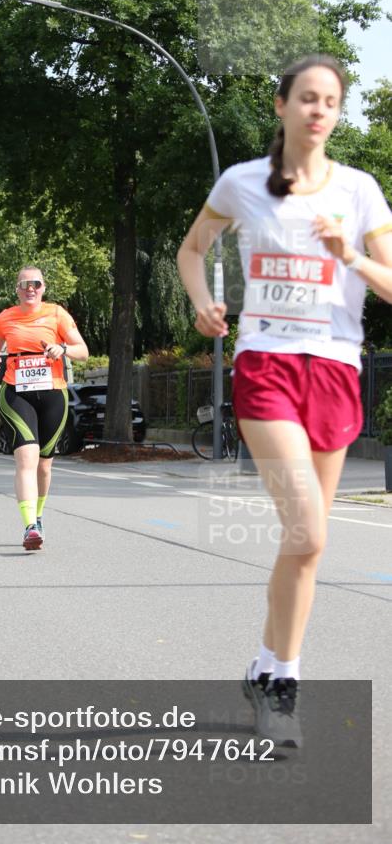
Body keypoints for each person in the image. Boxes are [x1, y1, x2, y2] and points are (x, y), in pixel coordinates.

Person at [177, 54, 392, 746]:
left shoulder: (358, 191)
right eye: (306, 97)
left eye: (329, 100)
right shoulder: (241, 183)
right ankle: (285, 687)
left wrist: (348, 254)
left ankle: (262, 668)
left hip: (332, 367)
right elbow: (190, 248)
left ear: (337, 111)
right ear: (280, 105)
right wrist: (204, 301)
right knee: (307, 529)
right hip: (265, 364)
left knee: (302, 545)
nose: (318, 109)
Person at [0, 266, 89, 550]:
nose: (31, 289)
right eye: (25, 284)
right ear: (17, 289)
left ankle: (38, 516)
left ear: (43, 287)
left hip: (53, 392)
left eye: (36, 284)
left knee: (44, 464)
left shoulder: (57, 314)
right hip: (17, 393)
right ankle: (30, 526)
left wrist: (62, 349)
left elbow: (83, 351)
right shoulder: (6, 317)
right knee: (27, 458)